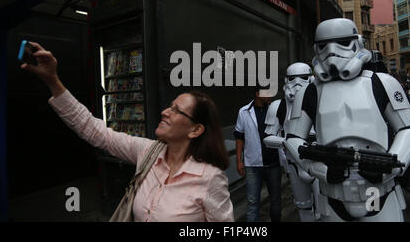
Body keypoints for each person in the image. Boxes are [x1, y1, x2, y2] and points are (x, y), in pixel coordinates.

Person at [21, 42, 234, 222]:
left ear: (195, 130)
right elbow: (95, 131)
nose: (165, 112)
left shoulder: (210, 179)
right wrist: (53, 81)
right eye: (170, 106)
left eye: (177, 111)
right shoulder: (148, 153)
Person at [279, 19, 410, 221]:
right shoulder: (309, 92)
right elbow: (293, 138)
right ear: (316, 49)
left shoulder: (382, 83)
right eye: (324, 46)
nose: (332, 52)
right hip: (333, 196)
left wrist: (390, 166)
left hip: (379, 193)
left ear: (358, 43)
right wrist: (321, 169)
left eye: (343, 43)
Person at [264, 62, 319, 222]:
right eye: (292, 78)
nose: (297, 83)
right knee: (303, 205)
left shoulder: (322, 99)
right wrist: (288, 142)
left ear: (311, 78)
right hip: (294, 160)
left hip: (320, 157)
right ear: (286, 81)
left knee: (324, 205)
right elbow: (268, 136)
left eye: (303, 78)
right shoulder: (277, 106)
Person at [234, 88, 282, 222]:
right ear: (257, 94)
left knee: (276, 200)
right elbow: (239, 137)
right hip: (253, 165)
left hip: (273, 163)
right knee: (252, 202)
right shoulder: (244, 112)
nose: (270, 95)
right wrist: (239, 161)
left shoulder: (275, 110)